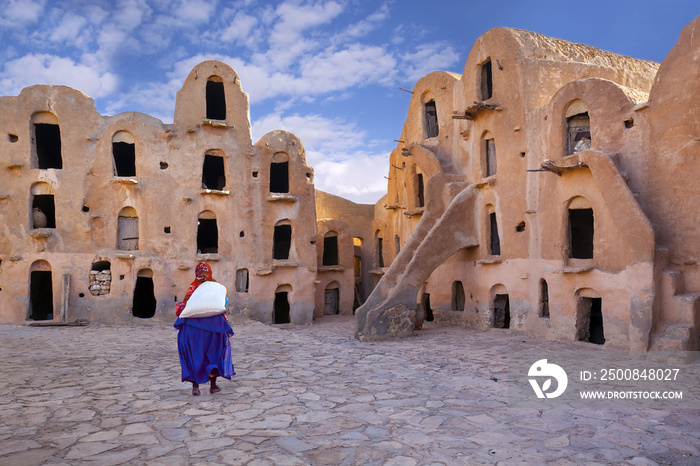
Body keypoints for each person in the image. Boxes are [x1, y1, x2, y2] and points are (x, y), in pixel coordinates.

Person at [174, 262, 235, 395]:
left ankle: (195, 387)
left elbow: (183, 307)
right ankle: (213, 386)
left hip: (191, 328)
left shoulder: (193, 287)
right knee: (214, 355)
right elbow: (223, 304)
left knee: (194, 355)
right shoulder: (217, 287)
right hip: (214, 328)